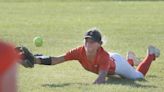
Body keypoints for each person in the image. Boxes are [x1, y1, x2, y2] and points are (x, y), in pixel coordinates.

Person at [17, 28, 160, 84]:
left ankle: (151, 54)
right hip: (113, 62)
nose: (88, 44)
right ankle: (130, 58)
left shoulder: (102, 56)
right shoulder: (79, 51)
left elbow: (101, 78)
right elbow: (56, 60)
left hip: (117, 63)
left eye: (92, 41)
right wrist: (35, 60)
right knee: (119, 78)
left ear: (99, 44)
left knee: (138, 77)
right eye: (86, 40)